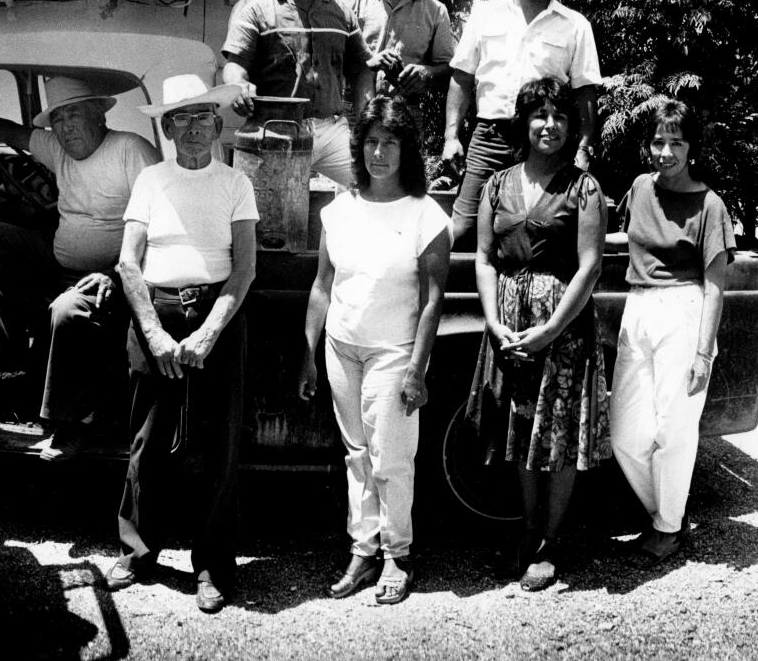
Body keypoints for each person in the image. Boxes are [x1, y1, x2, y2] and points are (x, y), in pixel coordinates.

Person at [104, 75, 257, 614]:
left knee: (217, 446)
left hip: (218, 313)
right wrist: (154, 333)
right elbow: (128, 262)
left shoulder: (236, 182)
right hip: (155, 313)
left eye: (204, 117)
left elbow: (244, 269)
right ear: (166, 127)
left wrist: (209, 331)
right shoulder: (150, 179)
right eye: (183, 118)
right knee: (148, 438)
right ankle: (138, 551)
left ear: (218, 125)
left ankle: (212, 566)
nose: (194, 128)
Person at [296, 95, 450, 605]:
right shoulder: (339, 210)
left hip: (393, 354)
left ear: (408, 151)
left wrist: (416, 370)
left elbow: (432, 302)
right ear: (359, 148)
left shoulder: (426, 216)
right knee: (357, 454)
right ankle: (363, 551)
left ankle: (397, 557)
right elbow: (323, 286)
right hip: (341, 349)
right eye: (371, 143)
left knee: (391, 459)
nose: (379, 154)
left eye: (391, 143)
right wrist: (309, 352)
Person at [466, 77, 610, 591]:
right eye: (539, 116)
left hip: (562, 326)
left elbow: (590, 267)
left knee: (559, 432)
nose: (550, 126)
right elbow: (484, 259)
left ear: (572, 128)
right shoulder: (496, 184)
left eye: (560, 118)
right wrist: (493, 319)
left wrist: (550, 329)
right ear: (523, 123)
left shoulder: (584, 188)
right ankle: (527, 532)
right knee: (520, 430)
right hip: (508, 322)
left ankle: (551, 541)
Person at [0, 76, 160, 460]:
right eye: (57, 118)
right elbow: (8, 131)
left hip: (116, 276)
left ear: (99, 114)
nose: (65, 126)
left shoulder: (130, 150)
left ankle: (71, 426)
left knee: (65, 311)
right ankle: (2, 359)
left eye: (74, 113)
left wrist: (115, 272)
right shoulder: (58, 147)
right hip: (59, 262)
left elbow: (160, 223)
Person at [608, 97, 734, 567]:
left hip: (684, 311)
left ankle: (666, 528)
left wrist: (704, 353)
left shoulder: (710, 204)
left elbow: (716, 285)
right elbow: (634, 237)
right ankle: (669, 513)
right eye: (659, 142)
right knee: (625, 433)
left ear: (691, 149)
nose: (666, 152)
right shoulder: (641, 188)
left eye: (676, 143)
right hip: (637, 309)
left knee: (673, 430)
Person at [444, 0, 602, 247]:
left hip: (546, 143)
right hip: (490, 138)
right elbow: (461, 78)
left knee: (544, 235)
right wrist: (451, 137)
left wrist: (583, 150)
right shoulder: (485, 15)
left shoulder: (575, 25)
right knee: (461, 230)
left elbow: (585, 93)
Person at [222, 0, 376, 187]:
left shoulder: (340, 11)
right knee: (263, 215)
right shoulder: (255, 8)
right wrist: (238, 87)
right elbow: (235, 65)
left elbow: (362, 67)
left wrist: (368, 120)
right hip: (273, 131)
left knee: (374, 185)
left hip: (331, 131)